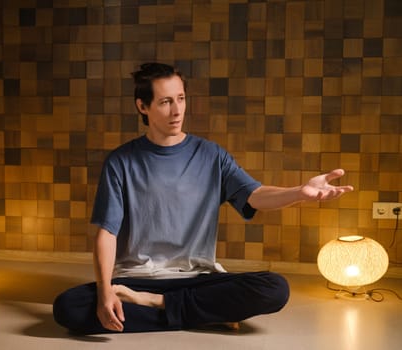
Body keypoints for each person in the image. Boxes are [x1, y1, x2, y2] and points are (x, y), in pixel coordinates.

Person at [53, 62, 353, 334]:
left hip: (197, 276)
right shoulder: (121, 162)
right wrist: (106, 291)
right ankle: (203, 313)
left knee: (275, 288)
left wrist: (299, 193)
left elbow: (256, 196)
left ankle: (154, 303)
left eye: (181, 99)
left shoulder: (211, 155)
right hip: (136, 277)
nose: (176, 111)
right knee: (68, 307)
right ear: (143, 106)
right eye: (165, 102)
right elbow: (107, 233)